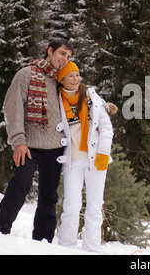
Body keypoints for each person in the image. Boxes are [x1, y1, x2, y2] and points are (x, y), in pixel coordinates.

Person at [0, 38, 73, 243]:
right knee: (20, 184)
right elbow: (13, 108)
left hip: (55, 147)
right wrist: (18, 141)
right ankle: (1, 230)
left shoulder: (63, 81)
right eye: (62, 53)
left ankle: (43, 241)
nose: (65, 59)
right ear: (50, 51)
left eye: (69, 56)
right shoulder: (27, 74)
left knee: (49, 195)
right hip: (28, 145)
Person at [56, 61, 114, 253]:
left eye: (77, 74)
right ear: (61, 79)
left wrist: (104, 153)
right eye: (70, 75)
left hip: (95, 158)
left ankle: (92, 249)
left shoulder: (92, 98)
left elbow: (106, 128)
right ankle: (66, 247)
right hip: (72, 159)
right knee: (71, 205)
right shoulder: (57, 100)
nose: (75, 79)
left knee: (95, 207)